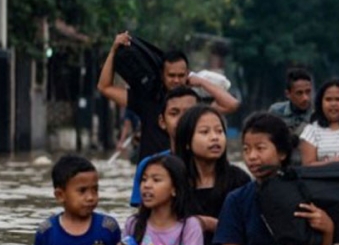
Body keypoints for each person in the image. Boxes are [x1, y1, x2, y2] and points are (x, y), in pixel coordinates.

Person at [214, 112, 335, 245]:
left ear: (282, 153)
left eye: (260, 148)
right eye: (246, 149)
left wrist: (328, 228)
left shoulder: (305, 191)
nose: (252, 156)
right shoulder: (237, 200)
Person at [97, 31, 239, 163]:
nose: (176, 80)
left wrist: (201, 82)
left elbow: (232, 105)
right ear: (162, 75)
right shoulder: (147, 100)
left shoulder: (194, 103)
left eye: (181, 75)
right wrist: (114, 50)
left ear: (187, 74)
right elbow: (105, 87)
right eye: (171, 76)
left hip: (184, 172)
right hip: (152, 174)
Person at [174, 104, 251, 245]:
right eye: (204, 132)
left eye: (219, 131)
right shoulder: (174, 182)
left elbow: (250, 233)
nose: (215, 137)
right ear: (187, 142)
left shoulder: (238, 180)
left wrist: (212, 225)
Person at [19, 155, 121, 245]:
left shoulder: (108, 228)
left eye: (95, 190)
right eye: (82, 191)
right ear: (60, 195)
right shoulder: (46, 231)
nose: (91, 197)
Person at [116, 155, 204, 245]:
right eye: (144, 179)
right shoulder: (133, 224)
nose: (147, 185)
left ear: (174, 189)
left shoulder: (190, 226)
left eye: (156, 180)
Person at [129, 86, 200, 207]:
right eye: (174, 113)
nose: (182, 119)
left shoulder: (211, 163)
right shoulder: (149, 166)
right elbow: (143, 216)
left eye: (189, 113)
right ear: (162, 121)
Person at [268, 68, 313, 135]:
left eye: (308, 92)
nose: (305, 98)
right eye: (299, 93)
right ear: (288, 94)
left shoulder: (317, 115)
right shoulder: (276, 112)